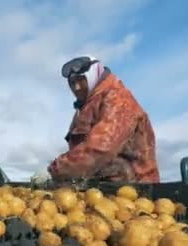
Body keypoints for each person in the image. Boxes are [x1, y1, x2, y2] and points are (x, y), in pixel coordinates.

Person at [38, 56, 160, 184]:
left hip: (134, 188)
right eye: (72, 83)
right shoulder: (85, 107)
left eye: (81, 80)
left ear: (92, 77)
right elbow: (80, 153)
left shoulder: (118, 100)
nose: (77, 87)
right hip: (100, 188)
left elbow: (101, 148)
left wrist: (56, 170)